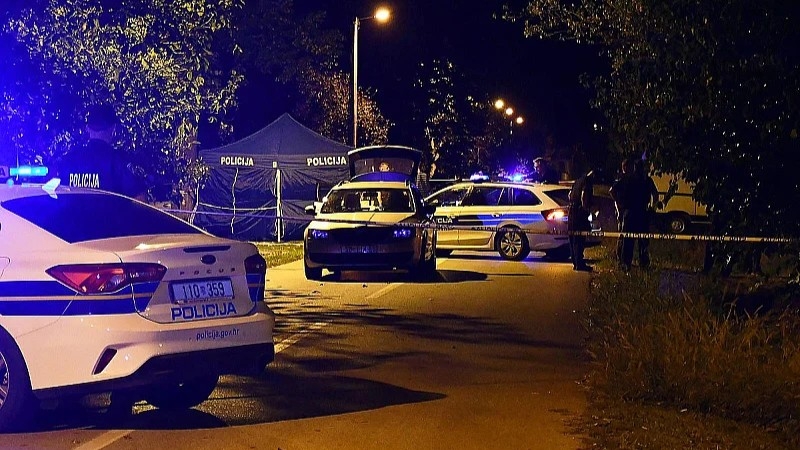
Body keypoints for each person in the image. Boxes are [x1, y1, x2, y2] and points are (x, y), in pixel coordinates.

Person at [56, 104, 147, 200]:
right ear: (113, 129)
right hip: (109, 210)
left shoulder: (70, 159)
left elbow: (59, 195)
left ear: (88, 128)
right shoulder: (118, 161)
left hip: (74, 210)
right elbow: (140, 198)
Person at [610, 158, 653, 271]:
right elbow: (656, 194)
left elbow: (612, 190)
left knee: (628, 240)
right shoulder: (647, 180)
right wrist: (652, 208)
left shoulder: (627, 179)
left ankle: (626, 264)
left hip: (630, 213)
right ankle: (643, 264)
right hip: (642, 213)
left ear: (634, 168)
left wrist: (620, 203)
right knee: (643, 240)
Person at [568, 169, 596, 271]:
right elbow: (584, 195)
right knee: (579, 238)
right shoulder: (587, 182)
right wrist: (585, 209)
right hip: (579, 212)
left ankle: (575, 262)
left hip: (572, 211)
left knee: (573, 237)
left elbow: (569, 194)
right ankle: (579, 264)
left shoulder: (577, 181)